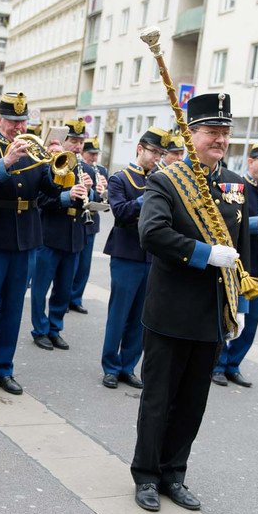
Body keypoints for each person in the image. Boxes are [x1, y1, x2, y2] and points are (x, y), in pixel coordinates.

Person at [131, 92, 251, 513]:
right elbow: (152, 233)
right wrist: (203, 254)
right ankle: (146, 475)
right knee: (159, 397)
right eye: (211, 132)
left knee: (193, 401)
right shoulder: (166, 180)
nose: (219, 139)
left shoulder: (236, 184)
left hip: (211, 313)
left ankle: (174, 473)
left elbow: (243, 246)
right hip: (170, 309)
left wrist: (241, 301)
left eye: (224, 132)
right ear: (191, 134)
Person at [0, 92, 64, 397]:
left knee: (12, 309)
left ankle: (3, 370)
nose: (18, 128)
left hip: (25, 238)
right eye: (12, 122)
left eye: (22, 121)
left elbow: (48, 191)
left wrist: (57, 166)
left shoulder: (36, 150)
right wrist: (5, 162)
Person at [211, 138, 258, 388]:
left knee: (251, 324)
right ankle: (218, 364)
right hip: (242, 263)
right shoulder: (237, 187)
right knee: (231, 316)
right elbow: (232, 225)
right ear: (251, 161)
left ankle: (234, 364)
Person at [99, 129, 164, 389]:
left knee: (141, 315)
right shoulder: (120, 179)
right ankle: (111, 366)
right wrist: (143, 198)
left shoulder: (160, 179)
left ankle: (128, 365)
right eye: (153, 152)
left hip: (151, 256)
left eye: (160, 153)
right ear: (140, 148)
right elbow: (120, 212)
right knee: (119, 312)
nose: (157, 158)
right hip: (126, 252)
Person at [30, 118, 92, 351]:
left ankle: (55, 328)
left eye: (80, 141)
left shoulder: (84, 168)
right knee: (41, 286)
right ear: (63, 141)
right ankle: (40, 329)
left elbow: (89, 203)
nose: (77, 146)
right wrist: (67, 196)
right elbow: (41, 199)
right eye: (73, 141)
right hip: (50, 233)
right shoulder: (49, 165)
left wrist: (91, 191)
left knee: (64, 288)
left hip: (74, 236)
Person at [69, 136, 109, 315]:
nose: (93, 158)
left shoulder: (101, 170)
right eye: (91, 154)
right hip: (77, 220)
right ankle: (66, 296)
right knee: (73, 264)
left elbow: (103, 199)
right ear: (83, 153)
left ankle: (76, 298)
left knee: (85, 265)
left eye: (96, 154)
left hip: (92, 222)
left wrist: (102, 192)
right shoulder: (74, 167)